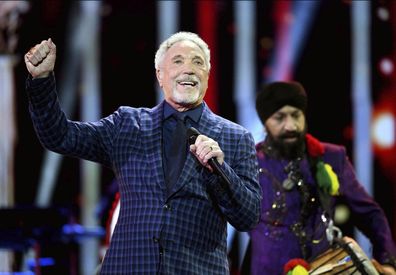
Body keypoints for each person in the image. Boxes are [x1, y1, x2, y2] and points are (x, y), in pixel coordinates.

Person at [23, 32, 262, 274]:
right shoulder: (128, 124)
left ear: (207, 76)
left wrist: (222, 171)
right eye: (178, 61)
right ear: (160, 75)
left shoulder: (235, 137)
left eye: (198, 62)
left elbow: (248, 217)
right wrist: (42, 80)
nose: (188, 69)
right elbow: (60, 136)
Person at [246, 81, 396, 274]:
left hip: (325, 268)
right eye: (280, 118)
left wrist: (388, 262)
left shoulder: (330, 157)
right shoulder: (249, 162)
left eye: (296, 115)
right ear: (265, 123)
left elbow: (370, 214)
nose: (291, 125)